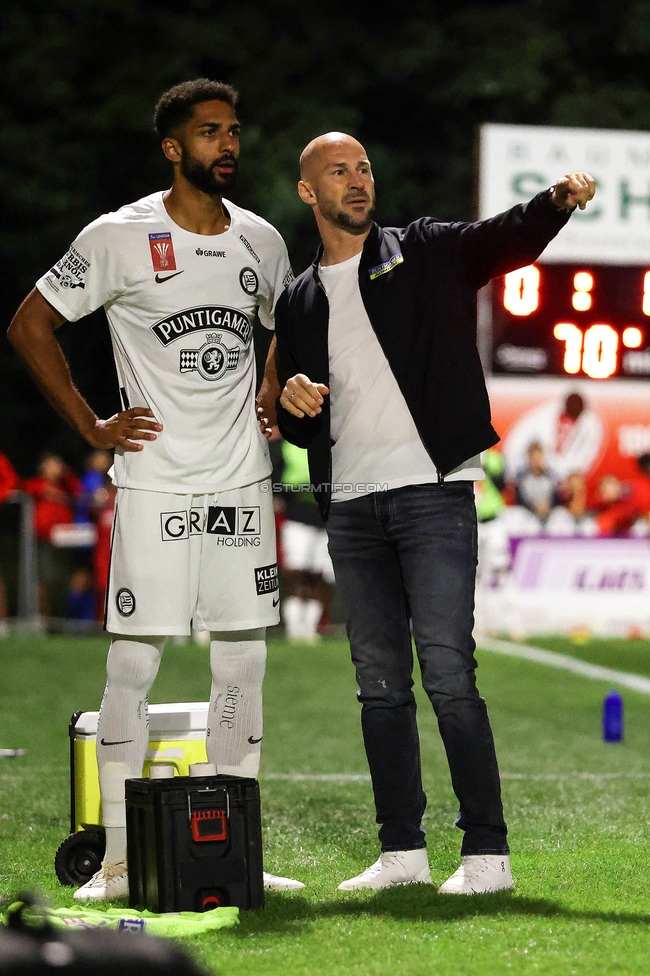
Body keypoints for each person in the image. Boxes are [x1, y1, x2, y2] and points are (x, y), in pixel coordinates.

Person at [273, 130, 595, 894]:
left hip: (433, 496)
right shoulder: (298, 297)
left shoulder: (420, 249)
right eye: (338, 172)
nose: (357, 180)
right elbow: (300, 418)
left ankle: (487, 857)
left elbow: (504, 240)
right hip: (349, 506)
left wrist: (554, 202)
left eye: (364, 166)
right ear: (307, 193)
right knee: (378, 685)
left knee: (449, 676)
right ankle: (401, 854)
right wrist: (292, 405)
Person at [8, 78, 302, 899]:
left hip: (242, 483)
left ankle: (236, 852)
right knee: (134, 665)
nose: (228, 145)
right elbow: (30, 324)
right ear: (175, 149)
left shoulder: (263, 241)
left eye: (234, 130)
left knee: (243, 662)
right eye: (210, 133)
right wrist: (91, 426)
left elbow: (284, 326)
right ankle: (116, 861)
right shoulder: (118, 236)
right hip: (156, 488)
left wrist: (272, 385)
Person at [514, 442, 558, 523]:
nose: (536, 460)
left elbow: (555, 495)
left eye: (539, 457)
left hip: (548, 512)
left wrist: (547, 504)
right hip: (528, 514)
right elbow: (521, 497)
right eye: (534, 457)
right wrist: (533, 506)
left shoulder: (550, 476)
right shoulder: (522, 476)